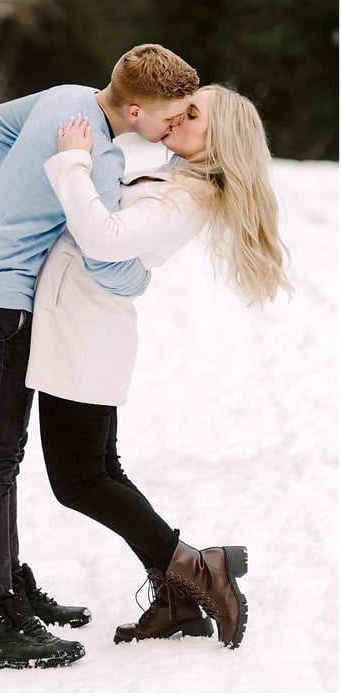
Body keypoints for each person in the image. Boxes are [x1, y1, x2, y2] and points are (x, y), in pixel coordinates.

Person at [0, 44, 200, 670]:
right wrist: (140, 281)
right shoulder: (99, 158)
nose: (172, 127)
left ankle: (13, 587)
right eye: (169, 117)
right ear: (136, 109)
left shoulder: (65, 98)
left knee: (2, 459)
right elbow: (105, 255)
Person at [26, 86, 293, 651]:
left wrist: (72, 158)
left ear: (219, 138)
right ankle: (175, 596)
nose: (177, 116)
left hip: (87, 331)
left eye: (192, 114)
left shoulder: (190, 197)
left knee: (79, 481)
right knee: (100, 470)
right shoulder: (174, 175)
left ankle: (201, 568)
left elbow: (104, 237)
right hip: (83, 324)